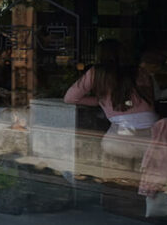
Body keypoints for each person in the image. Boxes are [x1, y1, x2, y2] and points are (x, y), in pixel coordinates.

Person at [64, 39, 157, 184]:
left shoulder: (97, 73)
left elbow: (70, 98)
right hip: (154, 135)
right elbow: (151, 97)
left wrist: (99, 101)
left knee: (112, 170)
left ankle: (112, 191)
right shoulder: (140, 71)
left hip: (121, 138)